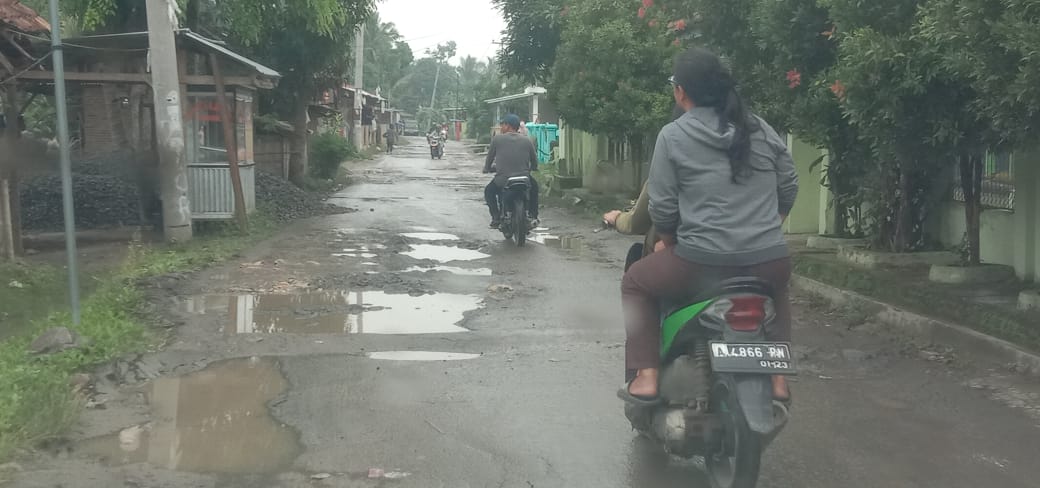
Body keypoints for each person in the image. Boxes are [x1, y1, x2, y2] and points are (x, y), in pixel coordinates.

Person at [618, 48, 798, 405]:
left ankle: (647, 376)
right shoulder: (760, 128)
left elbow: (662, 206)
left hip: (702, 262)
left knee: (635, 282)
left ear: (680, 91)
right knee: (776, 289)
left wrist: (669, 242)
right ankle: (778, 379)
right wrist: (770, 228)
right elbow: (789, 183)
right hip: (770, 260)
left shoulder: (673, 135)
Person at [604, 105, 689, 261]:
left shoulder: (665, 177)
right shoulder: (731, 164)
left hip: (685, 255)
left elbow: (638, 222)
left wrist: (617, 218)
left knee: (636, 265)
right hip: (732, 253)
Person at [483, 114, 540, 228]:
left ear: (508, 126)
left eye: (502, 125)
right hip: (524, 178)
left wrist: (487, 168)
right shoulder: (527, 140)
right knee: (534, 189)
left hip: (503, 180)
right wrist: (533, 168)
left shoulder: (497, 139)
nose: (501, 128)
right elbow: (534, 160)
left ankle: (496, 218)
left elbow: (490, 158)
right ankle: (533, 216)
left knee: (489, 192)